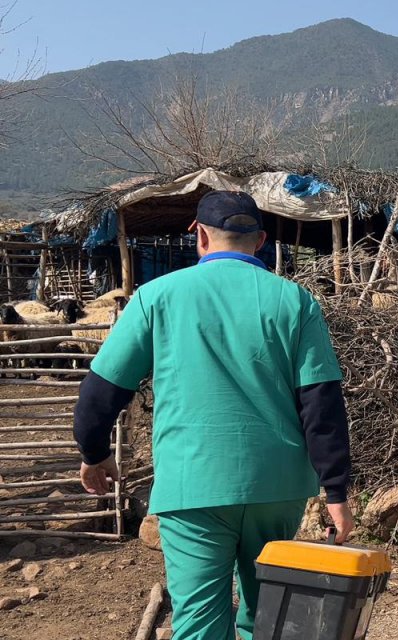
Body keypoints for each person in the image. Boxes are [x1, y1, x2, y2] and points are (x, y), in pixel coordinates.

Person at [73, 190, 354, 639]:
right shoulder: (295, 302)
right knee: (272, 617)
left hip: (192, 485)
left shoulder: (155, 298)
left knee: (200, 623)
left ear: (199, 235)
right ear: (260, 240)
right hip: (276, 486)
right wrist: (336, 490)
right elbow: (321, 401)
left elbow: (101, 391)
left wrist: (94, 451)